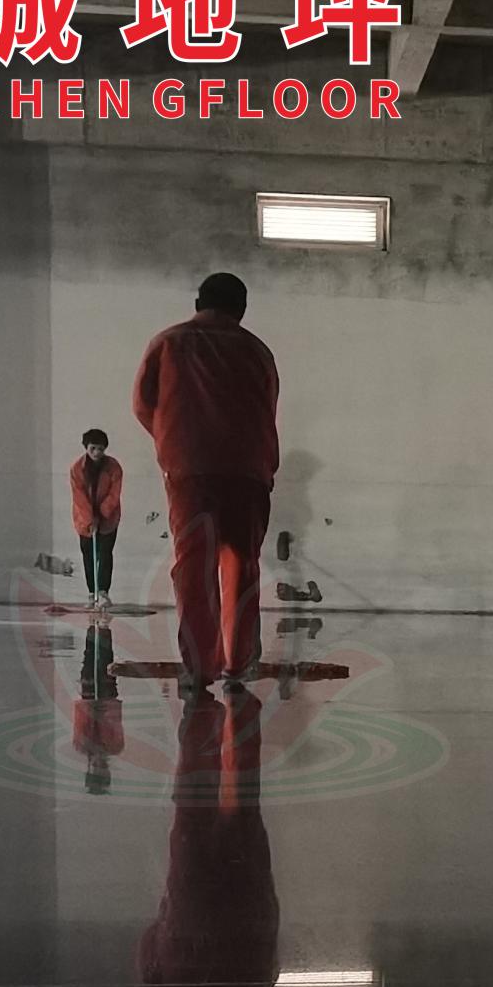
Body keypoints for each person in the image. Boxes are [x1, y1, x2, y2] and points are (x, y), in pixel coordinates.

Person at [133, 272, 280, 693]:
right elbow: (268, 406)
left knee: (194, 569)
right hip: (248, 472)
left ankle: (199, 669)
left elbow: (143, 404)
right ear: (242, 309)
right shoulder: (258, 351)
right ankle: (238, 664)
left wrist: (177, 443)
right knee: (241, 566)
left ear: (199, 302)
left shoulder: (169, 342)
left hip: (191, 472)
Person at [136, 684, 280, 987]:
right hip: (192, 889)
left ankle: (239, 712)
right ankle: (200, 713)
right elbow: (148, 943)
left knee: (242, 798)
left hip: (246, 883)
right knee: (193, 804)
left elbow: (269, 930)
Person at [67, 428, 123, 608]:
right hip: (84, 520)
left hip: (109, 519)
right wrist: (90, 519)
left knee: (105, 554)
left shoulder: (114, 467)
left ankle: (103, 592)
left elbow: (114, 494)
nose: (97, 453)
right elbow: (79, 497)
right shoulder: (77, 469)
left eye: (100, 449)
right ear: (86, 447)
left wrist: (102, 514)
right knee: (88, 556)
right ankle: (92, 593)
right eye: (93, 448)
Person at [71, 621, 124, 795]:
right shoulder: (114, 747)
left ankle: (96, 627)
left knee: (92, 660)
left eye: (96, 772)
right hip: (106, 698)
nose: (98, 767)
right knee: (102, 662)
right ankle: (101, 628)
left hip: (91, 697)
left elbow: (80, 721)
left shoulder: (81, 746)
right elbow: (115, 721)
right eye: (101, 772)